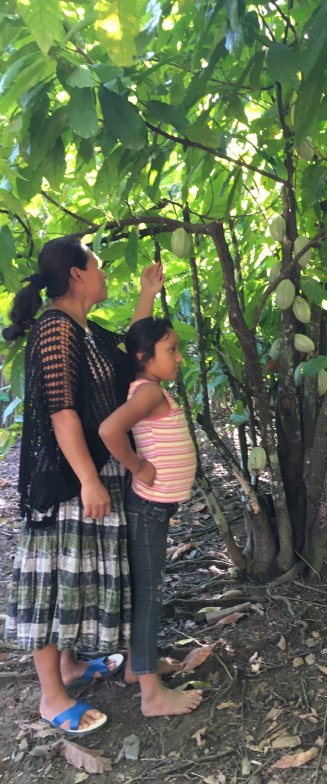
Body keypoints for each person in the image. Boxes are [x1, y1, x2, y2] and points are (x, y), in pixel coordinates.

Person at [3, 236, 164, 735]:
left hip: (90, 472)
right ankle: (52, 697)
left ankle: (71, 666)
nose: (102, 272)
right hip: (66, 479)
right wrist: (89, 480)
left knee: (73, 577)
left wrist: (148, 295)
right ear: (76, 275)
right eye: (96, 265)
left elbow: (128, 363)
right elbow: (62, 412)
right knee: (54, 580)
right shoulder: (55, 330)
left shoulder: (86, 330)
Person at [99, 317, 202, 716]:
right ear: (144, 357)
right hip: (146, 510)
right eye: (171, 350)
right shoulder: (147, 393)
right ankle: (150, 694)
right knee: (148, 597)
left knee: (147, 592)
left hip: (154, 511)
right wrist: (138, 467)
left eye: (178, 348)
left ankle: (135, 667)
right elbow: (111, 431)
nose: (179, 356)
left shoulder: (153, 389)